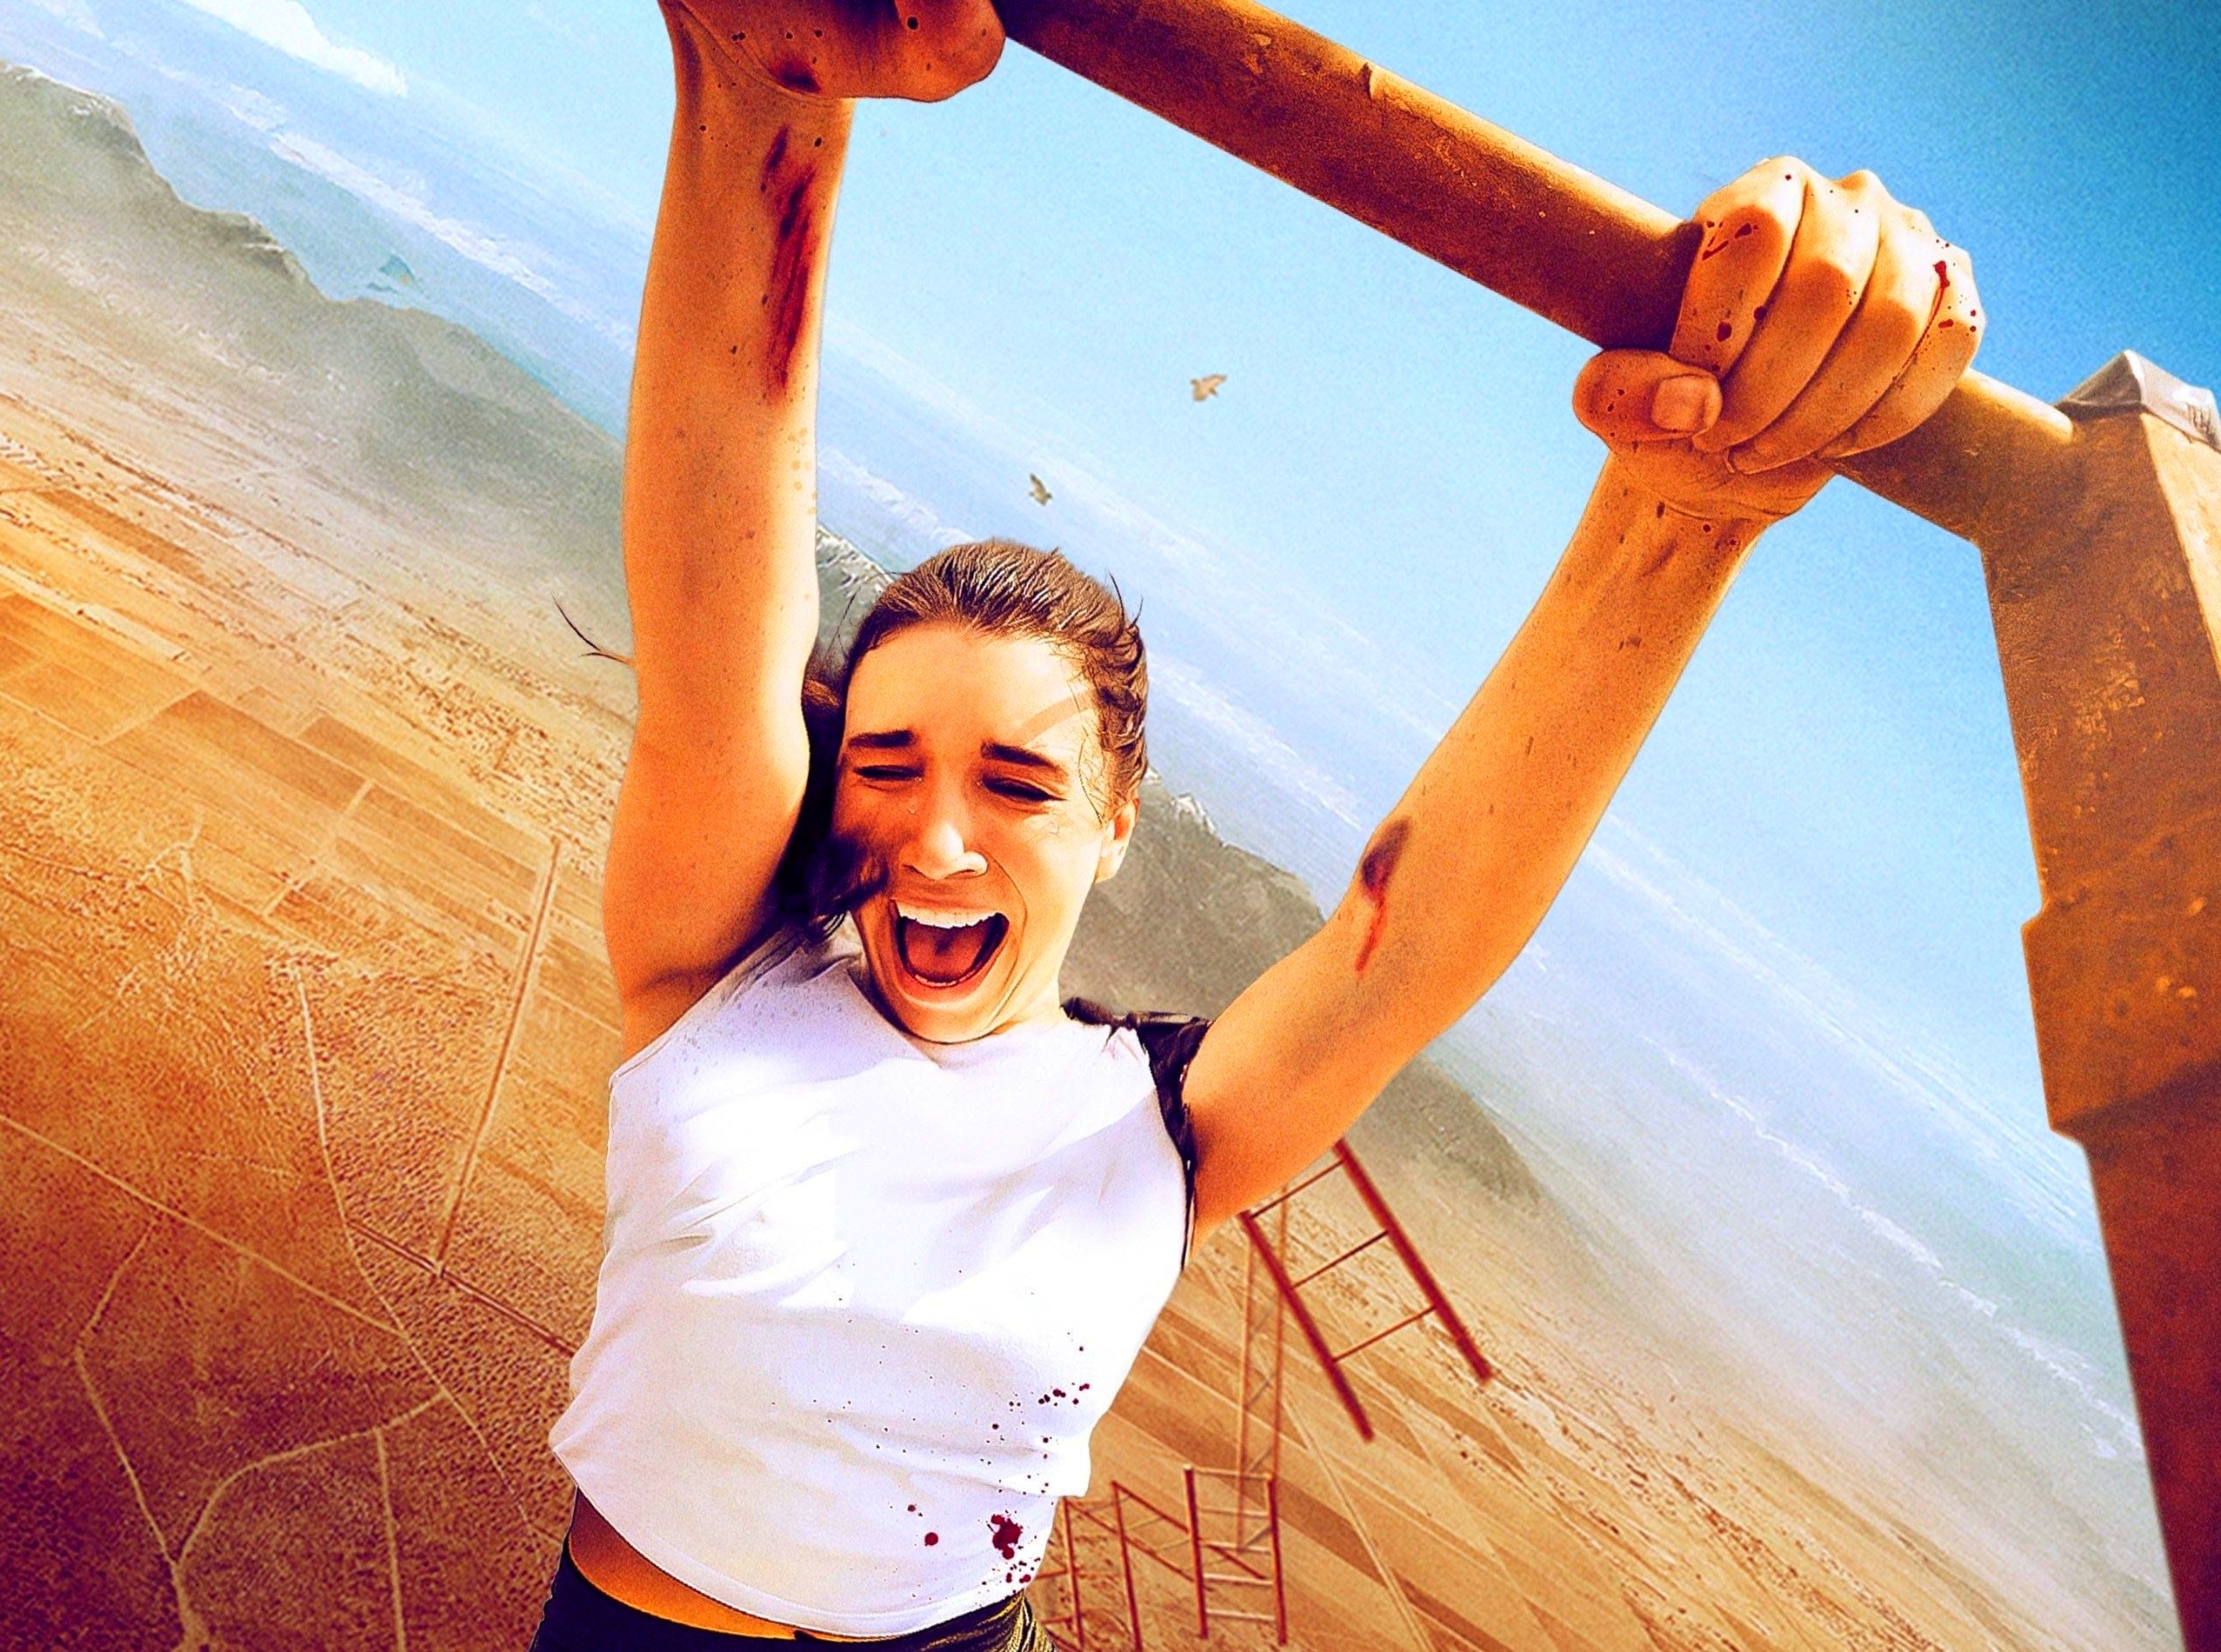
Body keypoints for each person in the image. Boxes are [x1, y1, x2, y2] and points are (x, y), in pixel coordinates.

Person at [531, 1, 1984, 1645]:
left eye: (1018, 784)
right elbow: (720, 624)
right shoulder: (723, 975)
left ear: (1116, 826)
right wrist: (763, 103)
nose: (938, 839)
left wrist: (1691, 510)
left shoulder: (1155, 1122)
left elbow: (1400, 956)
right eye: (886, 764)